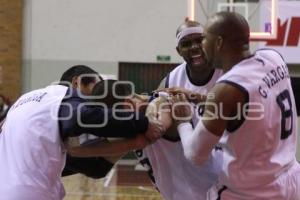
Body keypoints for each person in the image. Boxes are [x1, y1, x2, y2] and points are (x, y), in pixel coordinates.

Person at [172, 11, 300, 199]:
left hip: (251, 192)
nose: (200, 46)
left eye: (204, 39)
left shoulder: (226, 88)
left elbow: (195, 154)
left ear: (218, 43)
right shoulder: (273, 58)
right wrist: (198, 98)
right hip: (291, 180)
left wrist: (183, 120)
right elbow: (250, 101)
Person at [0, 71, 164, 199]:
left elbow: (82, 157)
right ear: (77, 83)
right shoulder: (63, 100)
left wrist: (133, 143)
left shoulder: (26, 103)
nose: (94, 102)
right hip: (29, 193)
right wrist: (143, 123)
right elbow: (83, 119)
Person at [135, 20, 223, 200]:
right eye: (186, 44)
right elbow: (157, 102)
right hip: (197, 163)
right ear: (178, 51)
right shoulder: (173, 78)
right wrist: (151, 113)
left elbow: (241, 107)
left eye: (199, 40)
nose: (194, 47)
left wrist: (194, 97)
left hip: (229, 156)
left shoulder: (227, 71)